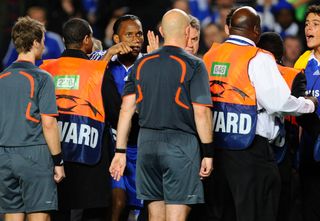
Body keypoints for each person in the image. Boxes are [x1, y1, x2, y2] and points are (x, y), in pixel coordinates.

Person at [203, 6, 317, 221]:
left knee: (222, 213)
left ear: (230, 28)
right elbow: (279, 103)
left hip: (215, 150)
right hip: (249, 152)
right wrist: (308, 104)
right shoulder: (258, 57)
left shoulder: (210, 54)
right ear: (256, 29)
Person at [109, 9, 214, 221]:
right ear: (187, 31)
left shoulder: (141, 63)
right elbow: (201, 112)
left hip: (146, 146)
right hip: (180, 146)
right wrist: (208, 152)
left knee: (155, 216)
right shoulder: (194, 64)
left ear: (161, 31)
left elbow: (126, 109)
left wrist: (119, 150)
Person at [40, 18, 122, 221]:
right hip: (91, 162)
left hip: (54, 160)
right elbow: (116, 113)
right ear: (86, 40)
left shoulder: (46, 69)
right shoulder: (98, 71)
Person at [0, 16, 65, 221]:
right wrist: (58, 161)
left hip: (4, 155)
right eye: (43, 40)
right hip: (33, 155)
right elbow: (49, 123)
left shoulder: (2, 77)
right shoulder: (42, 77)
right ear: (35, 42)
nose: (44, 45)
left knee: (12, 214)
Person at [92, 14, 145, 221]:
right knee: (118, 203)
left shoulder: (148, 63)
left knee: (139, 209)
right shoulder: (102, 60)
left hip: (141, 146)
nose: (136, 39)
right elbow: (90, 81)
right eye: (129, 34)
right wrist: (108, 54)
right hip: (113, 146)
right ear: (116, 39)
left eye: (139, 34)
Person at [257, 31, 307, 221]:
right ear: (281, 53)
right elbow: (301, 118)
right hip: (285, 153)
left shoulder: (249, 73)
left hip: (253, 150)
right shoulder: (294, 75)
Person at [294, 5, 320, 221]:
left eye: (315, 24)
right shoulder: (301, 63)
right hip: (309, 147)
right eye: (306, 24)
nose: (308, 29)